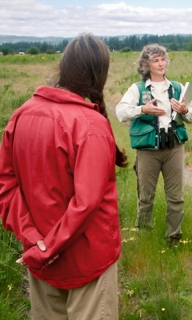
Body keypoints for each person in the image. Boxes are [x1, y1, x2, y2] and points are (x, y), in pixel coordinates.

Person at [0, 34, 127, 319]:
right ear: (99, 75)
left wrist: (35, 241)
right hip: (87, 261)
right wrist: (45, 247)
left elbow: (5, 187)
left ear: (63, 66)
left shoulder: (21, 115)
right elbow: (87, 203)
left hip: (40, 259)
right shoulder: (89, 124)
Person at [116, 44, 192, 247]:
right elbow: (120, 112)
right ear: (146, 64)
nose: (161, 64)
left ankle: (174, 237)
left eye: (163, 59)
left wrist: (185, 110)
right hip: (148, 150)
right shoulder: (138, 89)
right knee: (145, 196)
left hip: (174, 148)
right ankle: (144, 237)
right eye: (155, 60)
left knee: (176, 197)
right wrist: (143, 109)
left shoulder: (178, 88)